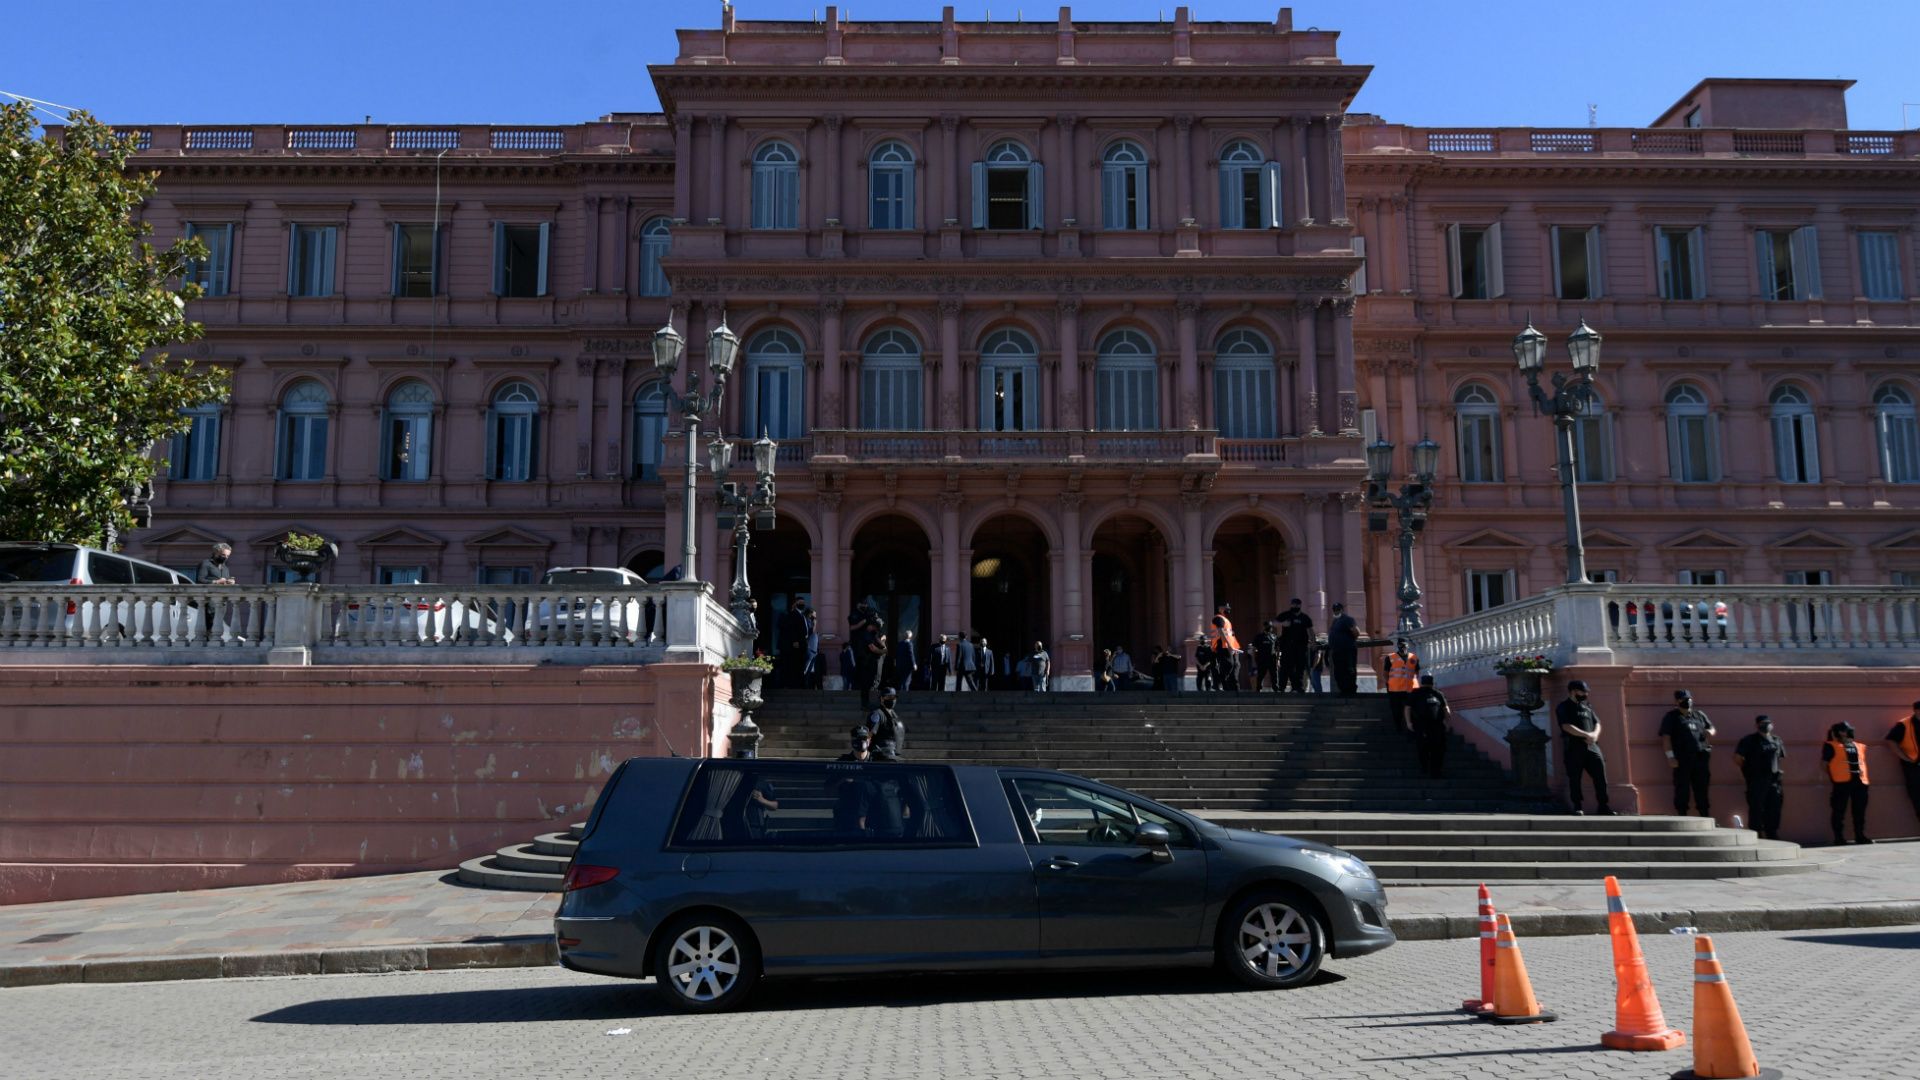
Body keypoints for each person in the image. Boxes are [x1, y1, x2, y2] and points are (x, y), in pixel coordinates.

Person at [1555, 679, 1614, 815]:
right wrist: (1586, 735)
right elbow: (1566, 726)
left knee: (1600, 775)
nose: (1586, 694)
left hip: (1592, 747)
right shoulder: (1563, 706)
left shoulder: (1587, 706)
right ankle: (1577, 806)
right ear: (1573, 691)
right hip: (1573, 748)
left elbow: (1597, 723)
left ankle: (1603, 805)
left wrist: (1594, 735)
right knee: (1575, 777)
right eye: (1583, 691)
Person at [1658, 688, 1716, 818]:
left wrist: (1710, 732)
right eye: (1684, 699)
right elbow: (1666, 738)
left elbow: (1711, 727)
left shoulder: (1699, 715)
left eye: (1689, 699)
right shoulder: (1671, 717)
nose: (1687, 701)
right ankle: (1682, 814)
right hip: (1682, 759)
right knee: (1682, 788)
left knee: (1702, 787)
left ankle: (1704, 814)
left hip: (1701, 757)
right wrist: (1670, 757)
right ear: (1677, 701)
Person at [1733, 715, 1787, 840]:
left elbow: (1781, 758)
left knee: (1774, 808)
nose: (1766, 725)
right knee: (1756, 808)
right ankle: (1756, 834)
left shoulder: (1776, 740)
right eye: (1763, 723)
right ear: (1756, 725)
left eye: (1768, 723)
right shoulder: (1749, 740)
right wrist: (1748, 772)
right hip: (1757, 780)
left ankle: (1772, 834)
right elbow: (1737, 758)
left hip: (1774, 781)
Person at [1821, 721, 1871, 845]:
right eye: (1847, 730)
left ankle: (1860, 836)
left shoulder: (1859, 745)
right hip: (1841, 783)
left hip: (1860, 782)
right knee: (1839, 811)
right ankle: (1839, 838)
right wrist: (1833, 776)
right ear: (1840, 732)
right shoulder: (1830, 745)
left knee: (1859, 811)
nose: (1850, 732)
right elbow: (1824, 765)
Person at [1406, 673, 1451, 779]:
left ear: (1422, 683)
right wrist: (1446, 721)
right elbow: (1446, 709)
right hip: (1436, 725)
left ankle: (1425, 767)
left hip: (1422, 725)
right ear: (1432, 683)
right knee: (1438, 749)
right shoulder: (1438, 693)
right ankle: (1435, 770)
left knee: (1423, 748)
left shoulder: (1415, 693)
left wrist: (1409, 722)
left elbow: (1407, 708)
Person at [1885, 700, 1920, 830]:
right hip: (1914, 767)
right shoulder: (1904, 724)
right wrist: (1905, 758)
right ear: (1916, 710)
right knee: (1917, 797)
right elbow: (1890, 740)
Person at [1277, 598, 1314, 693]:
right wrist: (1282, 623)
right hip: (1287, 647)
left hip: (1301, 647)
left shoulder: (1305, 618)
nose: (1295, 606)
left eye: (1297, 605)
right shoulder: (1286, 615)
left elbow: (1310, 631)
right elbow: (1272, 623)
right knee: (1286, 667)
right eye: (1293, 604)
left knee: (1300, 668)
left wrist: (1313, 642)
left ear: (1300, 605)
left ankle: (1298, 687)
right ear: (1291, 605)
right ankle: (1281, 687)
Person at [1382, 638, 1420, 729]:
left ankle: (1411, 727)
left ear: (1407, 645)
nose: (1403, 647)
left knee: (1412, 709)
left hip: (1411, 689)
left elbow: (1417, 673)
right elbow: (1385, 674)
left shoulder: (1414, 658)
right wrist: (1389, 684)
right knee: (1396, 710)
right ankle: (1398, 727)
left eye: (1404, 645)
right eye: (1401, 645)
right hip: (1395, 690)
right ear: (1398, 646)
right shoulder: (1390, 657)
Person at [1207, 604, 1241, 692]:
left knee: (1235, 665)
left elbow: (1230, 635)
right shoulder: (1218, 618)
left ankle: (1226, 686)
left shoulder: (1226, 620)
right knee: (1229, 664)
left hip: (1229, 646)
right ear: (1220, 608)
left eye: (1229, 608)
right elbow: (1221, 631)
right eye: (1226, 608)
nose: (1228, 609)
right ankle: (1218, 682)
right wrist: (1230, 645)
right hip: (1222, 645)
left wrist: (1234, 647)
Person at [1328, 602, 1360, 696]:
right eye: (1334, 609)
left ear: (1342, 610)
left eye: (1338, 609)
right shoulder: (1335, 621)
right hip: (1337, 651)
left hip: (1347, 650)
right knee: (1338, 672)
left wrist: (1348, 642)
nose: (1336, 611)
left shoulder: (1347, 619)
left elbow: (1356, 632)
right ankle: (1343, 690)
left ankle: (1351, 690)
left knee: (1349, 670)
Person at [776, 601, 810, 690]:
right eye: (801, 602)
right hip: (796, 645)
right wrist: (795, 641)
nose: (803, 604)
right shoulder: (793, 614)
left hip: (802, 644)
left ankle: (800, 684)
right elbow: (793, 629)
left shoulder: (802, 615)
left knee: (800, 664)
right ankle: (794, 684)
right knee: (794, 665)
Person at [867, 688, 905, 761]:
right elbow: (870, 734)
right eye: (888, 697)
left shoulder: (895, 715)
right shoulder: (877, 714)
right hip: (881, 755)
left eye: (893, 697)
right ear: (882, 699)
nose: (892, 700)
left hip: (894, 754)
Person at [1251, 622, 1278, 692]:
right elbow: (1254, 649)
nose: (1269, 628)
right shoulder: (1259, 637)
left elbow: (1277, 649)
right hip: (1262, 659)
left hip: (1272, 659)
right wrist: (1254, 660)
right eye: (1267, 626)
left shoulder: (1274, 637)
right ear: (1264, 627)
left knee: (1274, 674)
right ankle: (1258, 688)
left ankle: (1275, 688)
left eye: (1270, 626)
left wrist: (1278, 660)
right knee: (1261, 674)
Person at [889, 630, 917, 695]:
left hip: (899, 665)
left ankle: (900, 695)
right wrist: (914, 664)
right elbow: (911, 655)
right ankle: (904, 696)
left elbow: (896, 654)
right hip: (907, 666)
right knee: (906, 681)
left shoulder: (899, 643)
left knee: (901, 681)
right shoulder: (909, 644)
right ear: (910, 637)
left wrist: (895, 662)